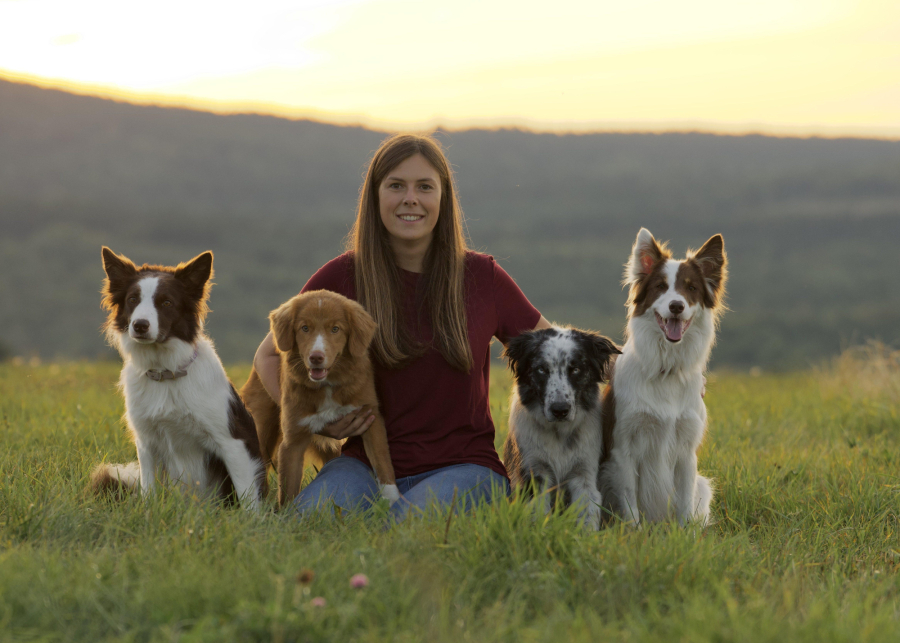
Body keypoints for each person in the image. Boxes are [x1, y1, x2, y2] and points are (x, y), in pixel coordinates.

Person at [253, 133, 551, 520]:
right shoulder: (343, 277)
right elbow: (267, 356)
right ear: (375, 197)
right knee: (306, 525)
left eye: (425, 187)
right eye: (396, 185)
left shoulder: (482, 277)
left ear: (443, 198)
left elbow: (554, 346)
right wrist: (318, 423)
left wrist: (639, 364)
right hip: (364, 466)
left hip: (467, 469)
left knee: (403, 528)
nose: (411, 198)